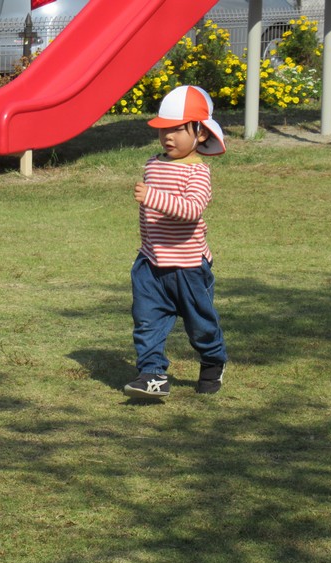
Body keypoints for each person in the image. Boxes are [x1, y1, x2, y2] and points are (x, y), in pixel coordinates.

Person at [123, 85, 228, 399]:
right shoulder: (153, 163)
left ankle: (213, 360)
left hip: (188, 267)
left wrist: (152, 197)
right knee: (147, 321)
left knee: (200, 324)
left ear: (201, 133)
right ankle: (152, 375)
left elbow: (192, 209)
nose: (168, 136)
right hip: (151, 263)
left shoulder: (198, 173)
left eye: (178, 129)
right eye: (163, 130)